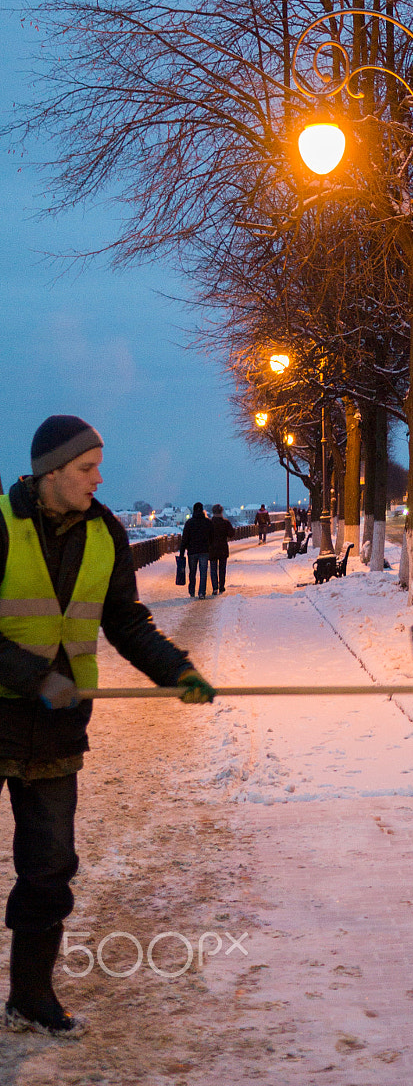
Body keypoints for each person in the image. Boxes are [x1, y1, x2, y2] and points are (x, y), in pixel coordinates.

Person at [0, 414, 214, 1038]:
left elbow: (124, 620)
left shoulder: (107, 532)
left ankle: (30, 997)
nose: (99, 478)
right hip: (5, 713)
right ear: (50, 474)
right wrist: (35, 677)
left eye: (98, 465)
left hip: (57, 729)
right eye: (86, 468)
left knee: (49, 867)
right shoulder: (1, 525)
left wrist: (175, 669)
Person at [179, 502, 212, 600]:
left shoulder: (189, 523)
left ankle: (192, 590)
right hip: (204, 551)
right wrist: (209, 546)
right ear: (202, 510)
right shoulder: (208, 522)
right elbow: (212, 536)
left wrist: (182, 552)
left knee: (192, 572)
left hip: (192, 551)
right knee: (203, 572)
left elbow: (185, 538)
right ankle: (202, 592)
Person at [209, 504, 235, 594]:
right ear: (221, 512)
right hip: (223, 548)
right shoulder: (226, 522)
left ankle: (215, 587)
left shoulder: (209, 523)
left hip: (212, 549)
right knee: (222, 568)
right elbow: (231, 534)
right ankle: (221, 586)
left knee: (213, 569)